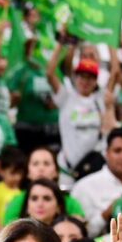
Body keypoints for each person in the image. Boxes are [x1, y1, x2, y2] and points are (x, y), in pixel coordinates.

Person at [46, 48, 109, 186]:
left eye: (90, 77)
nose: (85, 81)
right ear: (75, 77)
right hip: (68, 169)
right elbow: (50, 73)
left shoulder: (101, 100)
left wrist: (112, 46)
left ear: (96, 80)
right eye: (82, 76)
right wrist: (63, 44)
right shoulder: (66, 96)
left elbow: (115, 72)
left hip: (93, 167)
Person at [2, 148, 86, 226]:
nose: (41, 168)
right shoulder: (17, 202)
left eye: (46, 163)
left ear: (56, 171)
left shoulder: (71, 202)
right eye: (35, 164)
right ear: (28, 172)